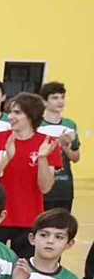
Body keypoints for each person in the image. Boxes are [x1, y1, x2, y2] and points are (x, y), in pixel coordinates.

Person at [0, 92, 64, 258]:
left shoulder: (48, 143)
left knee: (24, 270)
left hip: (30, 220)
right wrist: (7, 158)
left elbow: (45, 187)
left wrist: (43, 158)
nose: (10, 116)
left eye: (17, 112)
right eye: (10, 112)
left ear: (31, 116)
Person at [37, 82, 79, 213]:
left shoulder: (70, 124)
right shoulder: (38, 125)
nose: (60, 101)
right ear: (45, 102)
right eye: (55, 98)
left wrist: (66, 149)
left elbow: (76, 157)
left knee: (62, 226)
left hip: (64, 186)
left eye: (62, 97)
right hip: (43, 186)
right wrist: (59, 143)